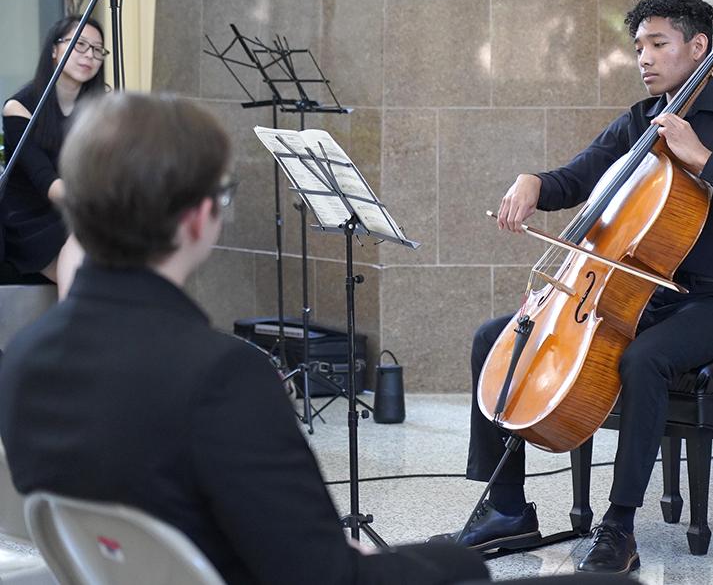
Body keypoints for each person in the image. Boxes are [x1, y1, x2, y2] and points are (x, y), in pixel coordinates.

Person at [0, 93, 489, 585]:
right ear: (197, 217)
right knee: (461, 567)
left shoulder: (23, 358)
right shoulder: (223, 376)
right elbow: (326, 577)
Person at [438, 0, 713, 574]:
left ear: (699, 47)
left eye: (657, 44)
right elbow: (580, 177)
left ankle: (619, 526)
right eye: (638, 46)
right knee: (495, 337)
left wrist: (703, 159)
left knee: (645, 361)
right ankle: (507, 507)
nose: (644, 58)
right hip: (634, 291)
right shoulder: (640, 121)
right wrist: (533, 181)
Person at [1, 16, 105, 290]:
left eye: (97, 49)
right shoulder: (20, 107)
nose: (89, 55)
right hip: (31, 218)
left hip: (76, 212)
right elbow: (46, 182)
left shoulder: (101, 110)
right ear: (54, 50)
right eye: (80, 45)